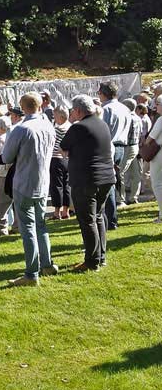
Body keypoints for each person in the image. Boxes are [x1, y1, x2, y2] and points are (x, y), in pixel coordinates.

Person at [2, 93, 58, 286]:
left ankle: (31, 273)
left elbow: (7, 156)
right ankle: (47, 264)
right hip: (42, 182)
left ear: (22, 107)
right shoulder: (48, 126)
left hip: (24, 183)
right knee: (41, 225)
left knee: (28, 229)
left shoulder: (21, 129)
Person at [60, 95, 115, 271]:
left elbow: (63, 147)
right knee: (98, 216)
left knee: (87, 220)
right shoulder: (102, 123)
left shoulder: (79, 127)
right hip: (106, 178)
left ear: (77, 110)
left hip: (86, 179)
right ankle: (100, 256)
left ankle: (92, 261)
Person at [99, 81, 131, 230]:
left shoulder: (105, 109)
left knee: (108, 183)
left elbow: (102, 130)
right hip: (122, 146)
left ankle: (110, 220)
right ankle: (111, 217)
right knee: (113, 181)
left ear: (103, 94)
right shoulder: (124, 108)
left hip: (109, 146)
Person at [0, 116, 15, 236]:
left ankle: (1, 227)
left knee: (1, 202)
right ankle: (17, 226)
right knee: (16, 201)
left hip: (4, 171)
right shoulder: (13, 136)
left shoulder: (0, 139)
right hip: (15, 171)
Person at [117, 99, 141, 206]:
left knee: (120, 173)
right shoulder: (138, 118)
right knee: (136, 173)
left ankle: (120, 199)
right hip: (135, 146)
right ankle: (133, 197)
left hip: (127, 147)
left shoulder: (127, 118)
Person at [49, 107, 72, 220]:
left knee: (57, 185)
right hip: (67, 159)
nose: (54, 118)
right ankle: (65, 211)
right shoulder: (70, 126)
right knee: (66, 184)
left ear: (61, 116)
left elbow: (53, 144)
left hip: (56, 158)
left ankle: (57, 212)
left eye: (55, 116)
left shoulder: (58, 129)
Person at [145, 95, 162, 223]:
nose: (155, 107)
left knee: (157, 184)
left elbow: (150, 139)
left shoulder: (161, 120)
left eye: (158, 104)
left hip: (159, 153)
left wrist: (145, 144)